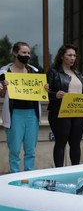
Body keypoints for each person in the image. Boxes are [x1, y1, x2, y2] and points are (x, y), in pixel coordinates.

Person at [47, 44, 83, 167]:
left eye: (74, 56)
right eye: (69, 55)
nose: (72, 58)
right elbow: (45, 93)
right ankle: (59, 171)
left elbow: (80, 95)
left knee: (76, 143)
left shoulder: (78, 74)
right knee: (61, 142)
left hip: (78, 113)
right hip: (60, 112)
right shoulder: (54, 72)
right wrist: (56, 95)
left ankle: (76, 169)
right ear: (62, 56)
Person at [0, 42, 49, 172]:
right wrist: (3, 87)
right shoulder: (5, 72)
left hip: (32, 114)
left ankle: (29, 175)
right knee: (15, 150)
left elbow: (40, 92)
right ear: (15, 53)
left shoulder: (34, 71)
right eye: (23, 53)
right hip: (15, 114)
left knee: (30, 150)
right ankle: (15, 176)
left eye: (28, 53)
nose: (27, 55)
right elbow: (1, 94)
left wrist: (44, 89)